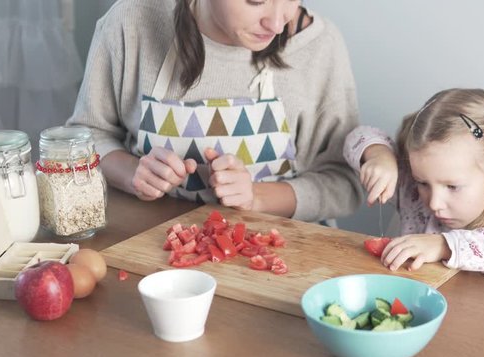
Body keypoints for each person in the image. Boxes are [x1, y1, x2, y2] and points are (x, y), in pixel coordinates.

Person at [67, 0, 363, 223]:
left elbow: (344, 181)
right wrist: (133, 172)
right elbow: (85, 136)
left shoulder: (318, 46)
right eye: (256, 0)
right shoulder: (131, 21)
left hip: (285, 260)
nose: (276, 23)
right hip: (149, 248)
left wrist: (256, 198)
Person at [343, 88, 484, 281]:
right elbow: (358, 136)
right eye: (423, 182)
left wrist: (443, 245)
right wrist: (380, 157)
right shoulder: (411, 193)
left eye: (452, 187)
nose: (434, 203)